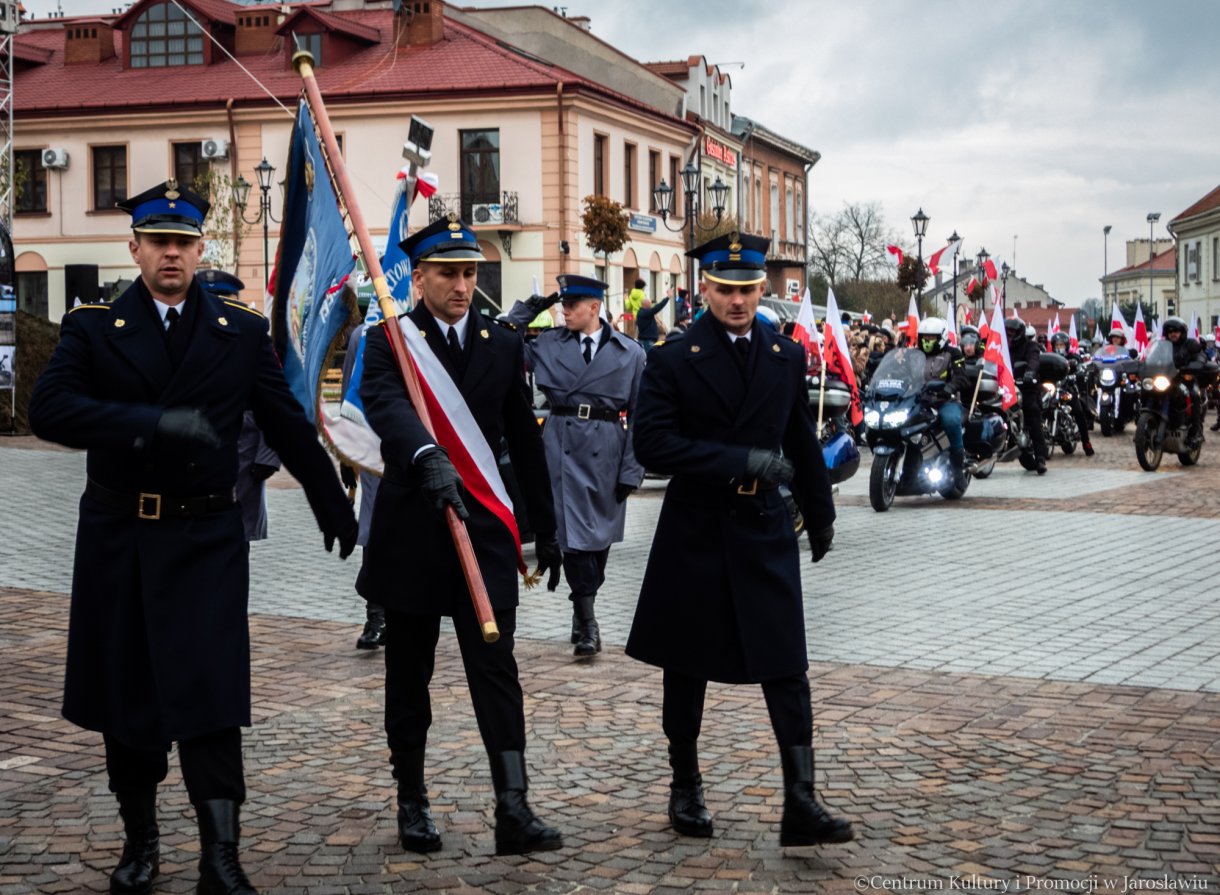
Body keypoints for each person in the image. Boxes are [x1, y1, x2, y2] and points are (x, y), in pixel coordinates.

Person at [28, 180, 358, 895]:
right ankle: (140, 840)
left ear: (201, 249)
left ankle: (220, 853)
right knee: (130, 695)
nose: (170, 254)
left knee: (211, 694)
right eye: (158, 242)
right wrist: (146, 423)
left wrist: (331, 498)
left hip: (207, 536)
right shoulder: (93, 326)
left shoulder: (238, 332)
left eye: (182, 242)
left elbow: (286, 421)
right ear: (135, 248)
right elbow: (48, 409)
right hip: (123, 535)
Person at [625, 232, 852, 848]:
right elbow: (654, 446)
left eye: (748, 290)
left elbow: (801, 437)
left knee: (787, 665)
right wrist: (741, 459)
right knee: (687, 665)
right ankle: (685, 782)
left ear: (762, 289)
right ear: (706, 290)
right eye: (725, 290)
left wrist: (820, 508)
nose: (737, 301)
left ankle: (801, 799)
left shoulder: (783, 354)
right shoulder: (673, 358)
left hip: (762, 529)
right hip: (696, 528)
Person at [356, 215, 564, 857]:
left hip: (482, 532)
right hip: (414, 531)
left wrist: (548, 529)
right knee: (408, 675)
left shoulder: (501, 344)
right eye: (448, 273)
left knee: (497, 670)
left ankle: (513, 806)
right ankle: (412, 801)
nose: (462, 285)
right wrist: (424, 453)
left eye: (471, 272)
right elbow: (385, 406)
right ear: (418, 278)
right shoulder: (392, 339)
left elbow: (524, 441)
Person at [509, 275, 646, 657]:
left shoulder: (630, 352)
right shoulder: (548, 343)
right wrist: (524, 313)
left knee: (597, 544)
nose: (564, 310)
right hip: (561, 445)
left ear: (595, 308)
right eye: (562, 303)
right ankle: (588, 623)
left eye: (572, 304)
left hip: (607, 449)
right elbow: (501, 342)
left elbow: (640, 416)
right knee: (574, 541)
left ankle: (582, 606)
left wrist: (632, 470)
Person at [197, 270, 284, 542]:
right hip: (193, 449)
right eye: (212, 299)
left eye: (227, 300)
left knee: (237, 535)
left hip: (243, 449)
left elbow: (277, 398)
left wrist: (268, 454)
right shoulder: (182, 335)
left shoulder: (251, 336)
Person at [338, 321, 386, 650]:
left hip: (420, 446)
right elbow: (348, 396)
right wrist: (346, 453)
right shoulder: (363, 335)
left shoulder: (424, 328)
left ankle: (402, 613)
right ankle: (376, 616)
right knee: (374, 529)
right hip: (373, 446)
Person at [915, 317, 970, 486]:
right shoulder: (914, 354)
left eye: (931, 338)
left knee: (951, 421)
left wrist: (949, 388)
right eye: (924, 337)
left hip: (945, 401)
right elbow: (901, 372)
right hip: (919, 400)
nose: (927, 341)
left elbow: (962, 378)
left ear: (942, 337)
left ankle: (957, 468)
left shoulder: (953, 354)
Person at [1004, 316, 1048, 474]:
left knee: (1032, 414)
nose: (1009, 335)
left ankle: (1041, 457)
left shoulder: (1031, 346)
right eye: (1007, 331)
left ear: (1019, 333)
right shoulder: (1002, 347)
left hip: (1027, 388)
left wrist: (1030, 372)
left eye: (1011, 332)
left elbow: (1034, 360)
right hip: (1007, 388)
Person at [1049, 332, 1095, 456]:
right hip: (1052, 389)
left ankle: (1086, 443)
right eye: (1057, 344)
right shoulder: (1050, 358)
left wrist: (1078, 372)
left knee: (1079, 412)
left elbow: (1080, 367)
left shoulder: (1073, 357)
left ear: (1067, 345)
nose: (1059, 347)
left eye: (1062, 344)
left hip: (1068, 389)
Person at [1162, 316, 1205, 445]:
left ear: (1182, 332)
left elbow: (1200, 355)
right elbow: (1150, 357)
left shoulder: (1190, 344)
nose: (1173, 334)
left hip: (1186, 380)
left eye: (1175, 331)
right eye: (1170, 332)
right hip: (1167, 379)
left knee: (1194, 395)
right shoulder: (1163, 346)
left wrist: (1196, 364)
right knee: (1147, 390)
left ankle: (1196, 432)